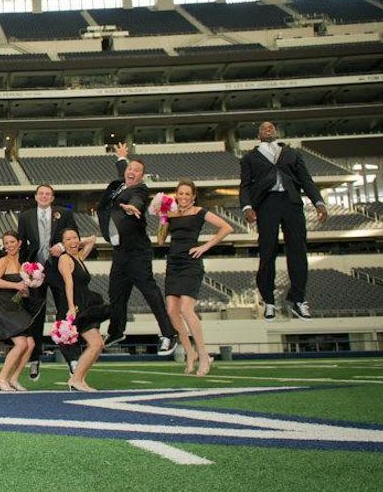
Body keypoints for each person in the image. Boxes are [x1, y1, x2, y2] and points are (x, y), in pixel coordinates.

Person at [239, 121, 328, 321]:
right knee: (267, 251)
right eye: (263, 128)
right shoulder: (249, 158)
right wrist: (247, 207)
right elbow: (244, 186)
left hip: (291, 202)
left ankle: (298, 300)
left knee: (297, 250)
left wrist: (319, 203)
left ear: (276, 132)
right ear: (258, 135)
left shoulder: (292, 154)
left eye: (271, 127)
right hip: (267, 203)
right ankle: (269, 301)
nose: (267, 129)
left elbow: (306, 180)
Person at [97, 142, 177, 356]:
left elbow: (138, 199)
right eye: (130, 169)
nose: (132, 172)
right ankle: (116, 331)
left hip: (137, 252)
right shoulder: (122, 183)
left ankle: (169, 334)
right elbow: (124, 170)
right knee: (116, 293)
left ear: (142, 176)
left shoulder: (140, 190)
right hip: (120, 252)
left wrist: (133, 208)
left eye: (137, 170)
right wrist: (122, 158)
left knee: (150, 293)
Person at [160, 180, 234, 376]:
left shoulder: (200, 212)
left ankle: (203, 355)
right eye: (180, 193)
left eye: (187, 194)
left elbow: (226, 228)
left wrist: (205, 246)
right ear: (176, 195)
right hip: (173, 264)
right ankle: (189, 352)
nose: (183, 197)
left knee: (186, 308)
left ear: (193, 197)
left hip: (191, 263)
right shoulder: (171, 213)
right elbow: (160, 240)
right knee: (171, 310)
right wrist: (162, 217)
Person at [16, 183, 80, 380]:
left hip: (58, 268)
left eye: (48, 194)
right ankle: (34, 359)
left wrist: (61, 245)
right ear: (35, 197)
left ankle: (72, 359)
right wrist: (26, 271)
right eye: (41, 193)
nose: (44, 196)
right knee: (35, 315)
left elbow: (75, 237)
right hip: (36, 271)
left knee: (65, 312)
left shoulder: (63, 213)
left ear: (52, 197)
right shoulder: (25, 217)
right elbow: (22, 246)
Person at [56, 228, 112, 392]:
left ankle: (79, 379)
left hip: (86, 304)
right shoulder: (65, 259)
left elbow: (93, 239)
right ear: (63, 243)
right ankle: (75, 379)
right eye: (68, 239)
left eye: (75, 238)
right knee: (95, 344)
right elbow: (69, 283)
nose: (73, 241)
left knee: (97, 344)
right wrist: (72, 307)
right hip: (77, 306)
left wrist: (76, 242)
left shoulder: (78, 257)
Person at [0, 231, 35, 391]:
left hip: (16, 306)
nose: (9, 245)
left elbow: (23, 289)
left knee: (30, 343)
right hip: (3, 306)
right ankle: (1, 379)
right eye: (6, 243)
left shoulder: (23, 264)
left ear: (19, 243)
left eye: (12, 242)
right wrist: (16, 285)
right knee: (21, 343)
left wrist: (25, 290)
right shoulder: (4, 261)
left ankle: (14, 379)